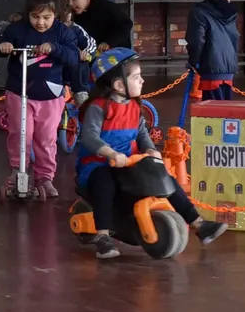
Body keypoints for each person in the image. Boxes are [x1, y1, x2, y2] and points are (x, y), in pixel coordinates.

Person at [76, 48, 228, 259]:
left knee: (167, 178)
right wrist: (110, 153)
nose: (142, 81)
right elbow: (89, 137)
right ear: (119, 85)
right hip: (98, 163)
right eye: (136, 77)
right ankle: (103, 236)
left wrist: (150, 150)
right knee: (104, 182)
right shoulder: (98, 108)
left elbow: (141, 134)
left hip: (129, 161)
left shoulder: (134, 107)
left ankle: (199, 224)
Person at [0, 0, 79, 198]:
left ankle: (45, 177)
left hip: (51, 95)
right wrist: (3, 45)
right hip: (19, 93)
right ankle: (17, 171)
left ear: (55, 15)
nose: (40, 22)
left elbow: (73, 57)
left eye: (46, 17)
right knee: (21, 134)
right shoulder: (18, 29)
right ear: (28, 13)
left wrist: (55, 48)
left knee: (46, 138)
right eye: (35, 16)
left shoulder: (61, 32)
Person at [187, 0, 239, 101]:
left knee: (212, 112)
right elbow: (235, 38)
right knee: (225, 111)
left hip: (210, 68)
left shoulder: (199, 12)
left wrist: (194, 62)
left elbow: (196, 41)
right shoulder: (231, 13)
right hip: (229, 69)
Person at [62, 0, 132, 51]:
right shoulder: (73, 16)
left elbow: (126, 23)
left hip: (118, 54)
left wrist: (108, 42)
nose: (70, 4)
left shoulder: (105, 7)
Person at [60, 5, 97, 106]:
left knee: (81, 64)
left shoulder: (76, 29)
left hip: (75, 66)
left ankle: (80, 93)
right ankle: (59, 95)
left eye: (66, 21)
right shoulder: (51, 30)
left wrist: (86, 52)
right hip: (59, 67)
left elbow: (90, 43)